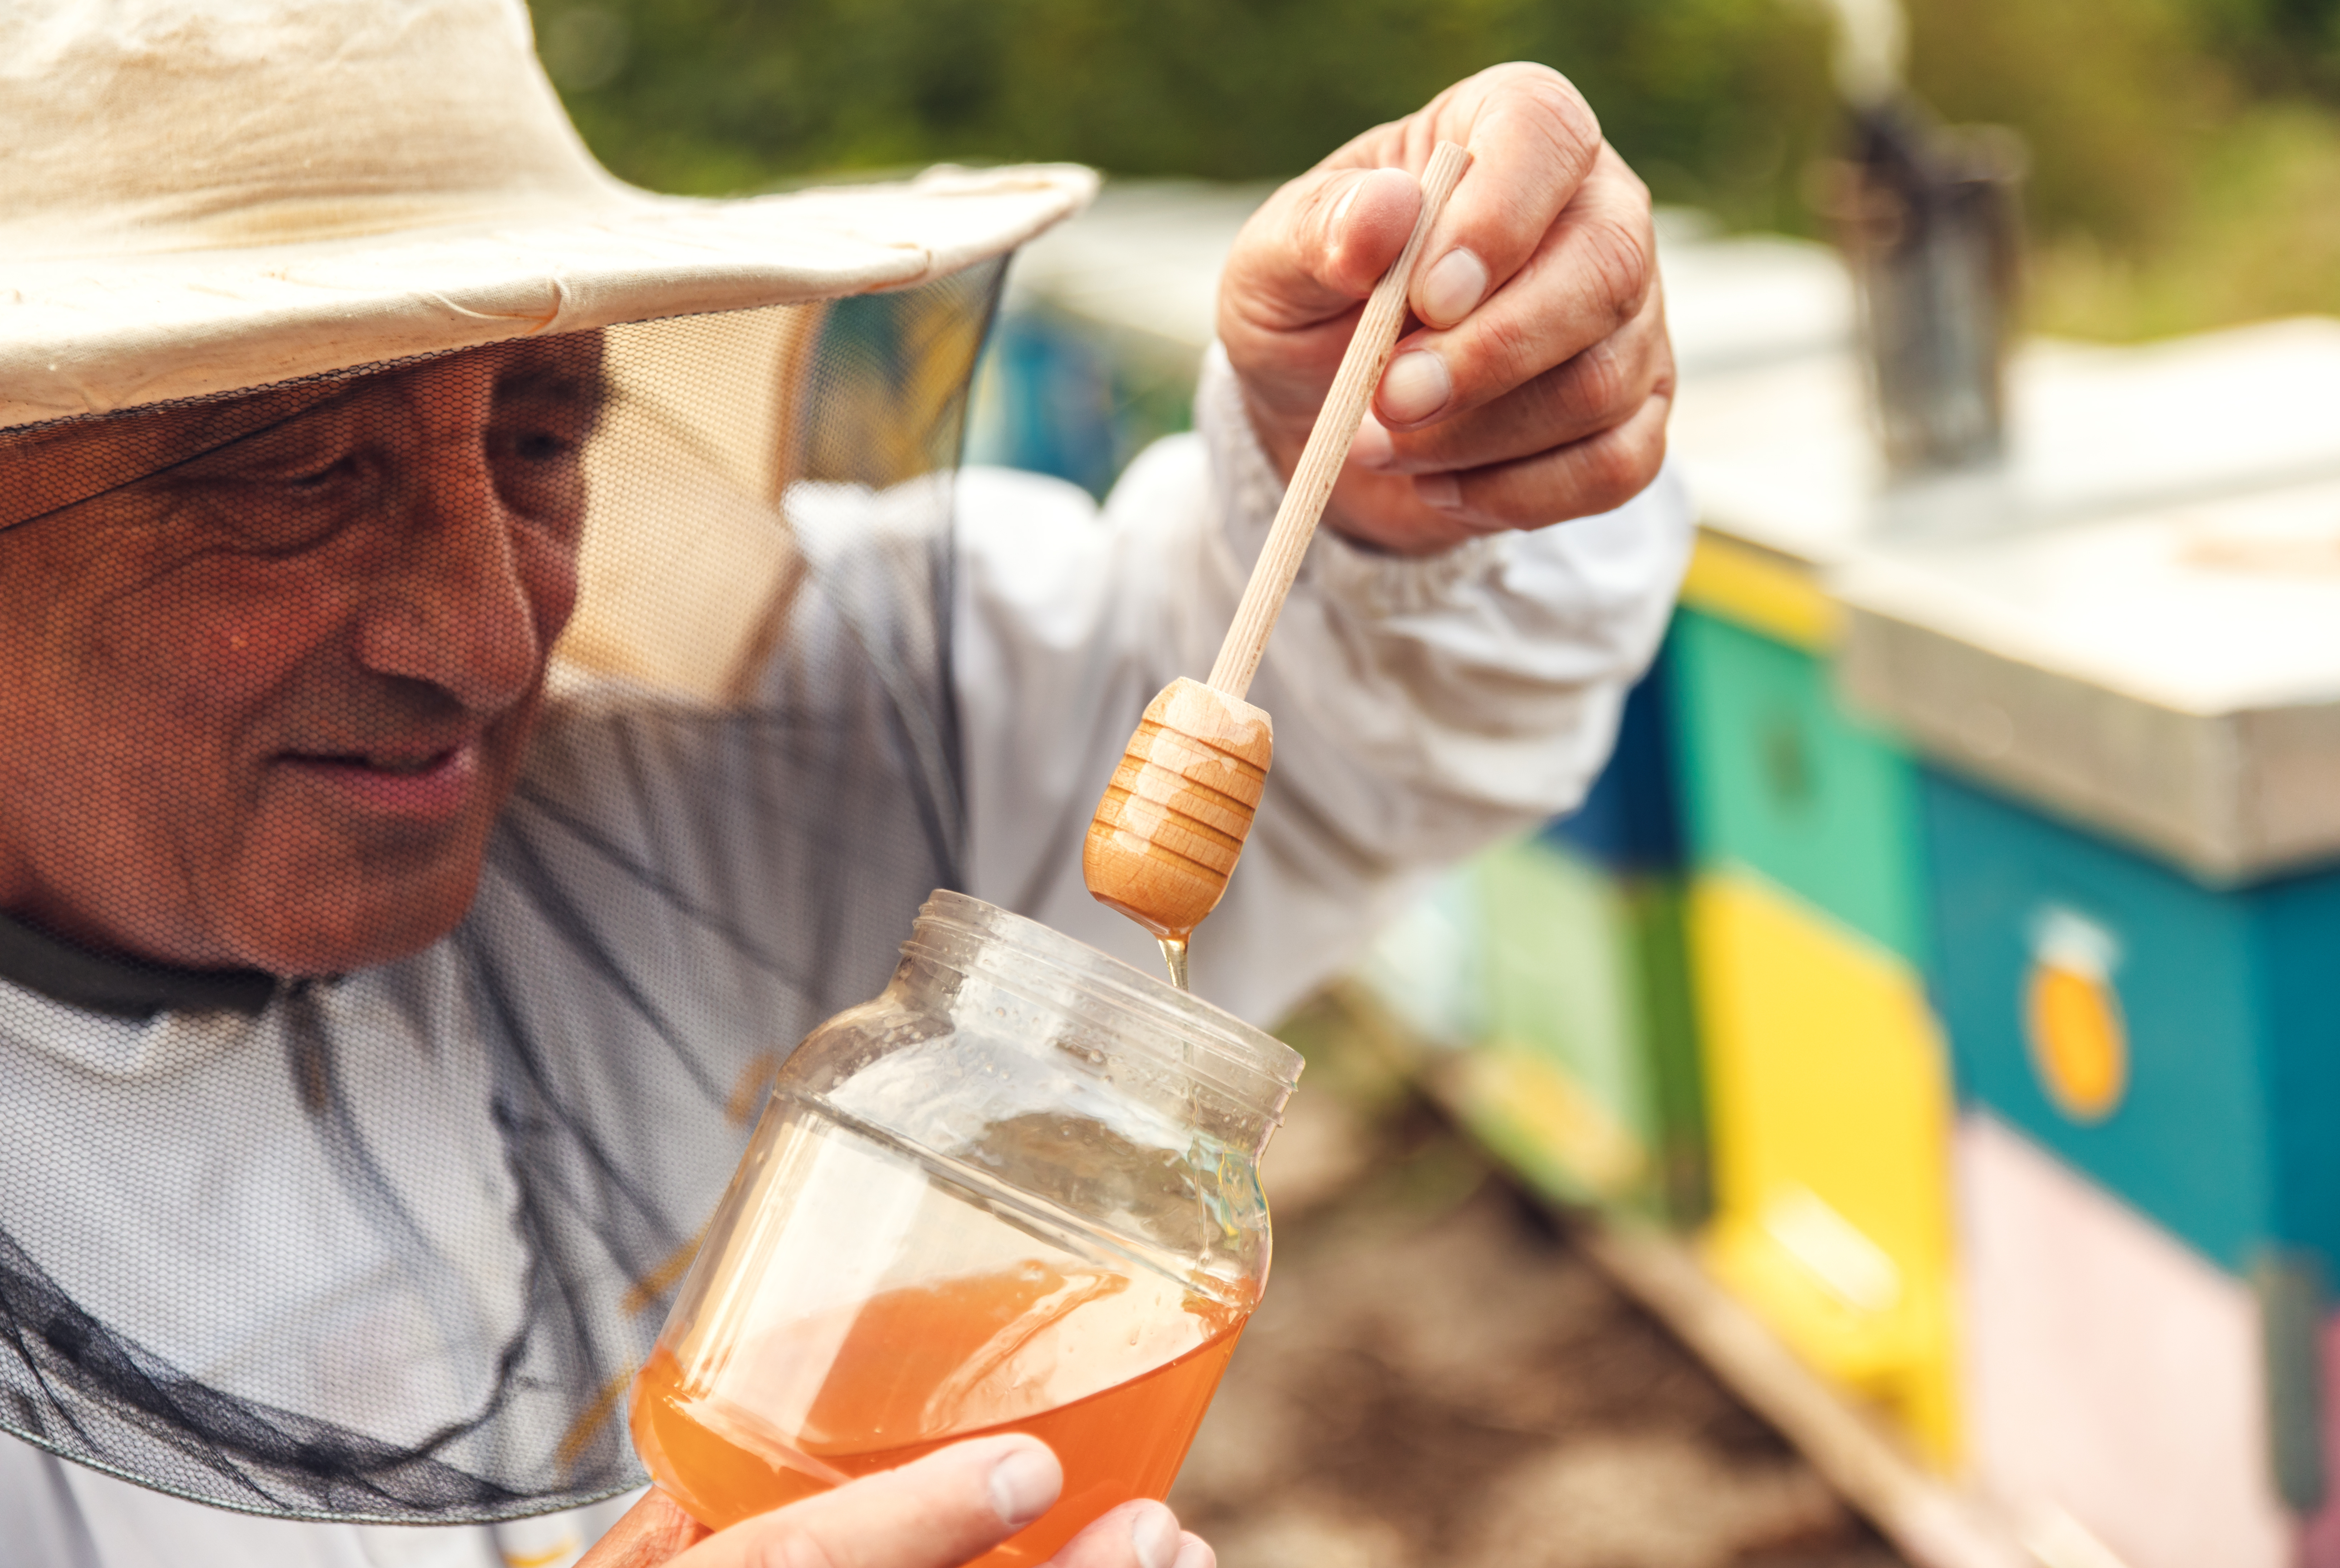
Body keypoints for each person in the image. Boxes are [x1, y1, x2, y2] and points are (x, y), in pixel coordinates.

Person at [0, 1, 1685, 1565]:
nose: (498, 640)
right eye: (295, 471)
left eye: (539, 438)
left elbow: (1363, 715)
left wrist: (1417, 462)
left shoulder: (739, 765)